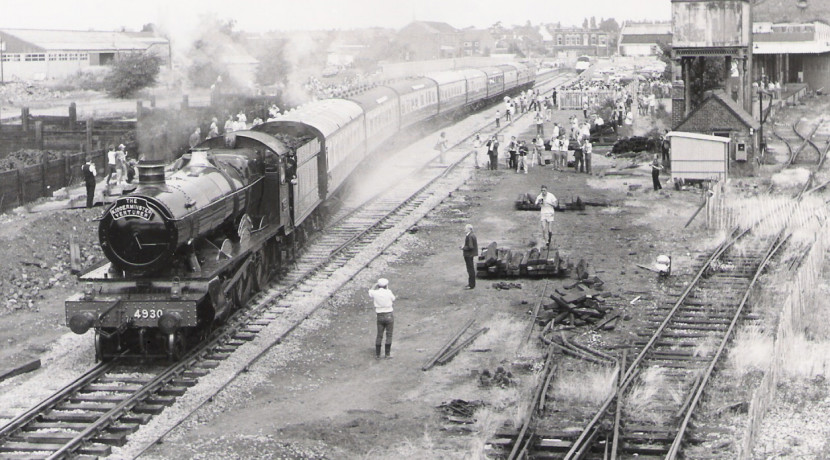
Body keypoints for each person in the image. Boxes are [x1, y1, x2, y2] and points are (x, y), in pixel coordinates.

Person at [368, 278, 396, 359]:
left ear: (378, 285)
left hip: (379, 315)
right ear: (386, 285)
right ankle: (387, 354)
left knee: (379, 335)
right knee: (389, 334)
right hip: (389, 314)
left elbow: (370, 291)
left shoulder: (375, 293)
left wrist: (375, 285)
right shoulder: (388, 292)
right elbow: (393, 298)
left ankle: (377, 354)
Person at [461, 224, 478, 289]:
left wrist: (463, 247)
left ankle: (471, 285)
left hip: (468, 255)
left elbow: (470, 247)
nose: (464, 229)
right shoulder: (472, 235)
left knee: (470, 269)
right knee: (471, 269)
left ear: (469, 229)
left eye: (466, 228)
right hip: (471, 255)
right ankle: (472, 284)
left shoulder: (469, 236)